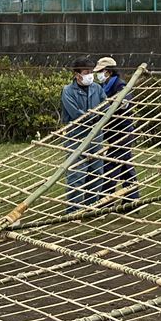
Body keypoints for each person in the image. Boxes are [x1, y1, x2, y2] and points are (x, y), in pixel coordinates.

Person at [59, 58, 102, 212]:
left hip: (96, 137)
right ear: (77, 74)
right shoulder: (68, 91)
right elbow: (76, 114)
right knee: (77, 173)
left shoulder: (97, 88)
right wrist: (94, 116)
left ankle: (91, 207)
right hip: (76, 136)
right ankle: (74, 209)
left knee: (96, 172)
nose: (90, 75)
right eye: (86, 72)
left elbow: (106, 106)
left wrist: (100, 116)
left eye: (91, 72)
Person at [93, 56, 138, 201]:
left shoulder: (120, 85)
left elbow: (125, 103)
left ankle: (105, 201)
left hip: (122, 130)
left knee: (111, 165)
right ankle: (132, 199)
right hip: (112, 131)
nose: (97, 75)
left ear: (108, 72)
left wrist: (112, 105)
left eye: (100, 71)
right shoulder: (103, 86)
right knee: (125, 165)